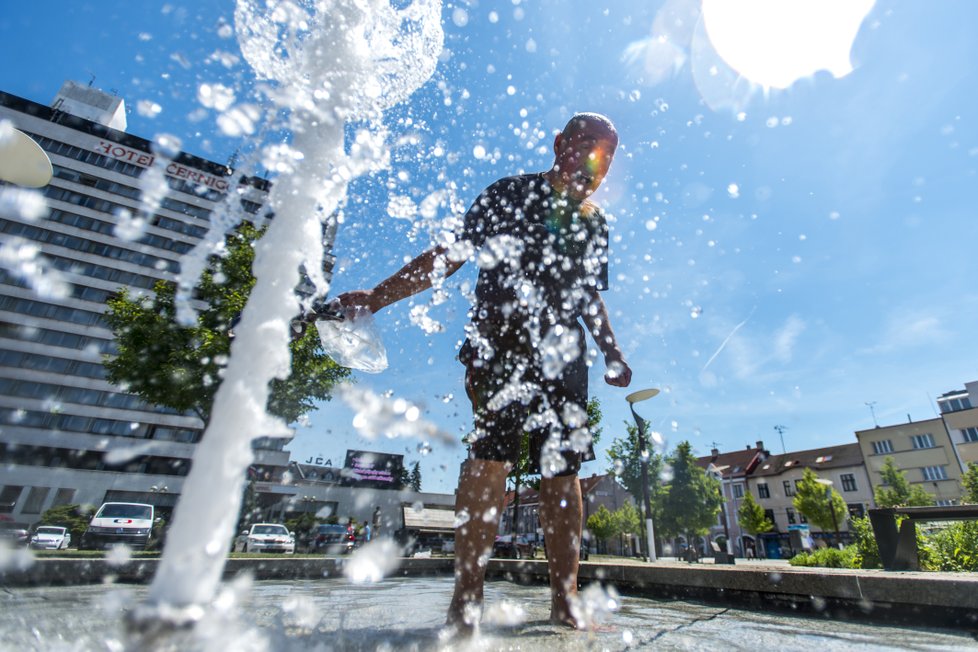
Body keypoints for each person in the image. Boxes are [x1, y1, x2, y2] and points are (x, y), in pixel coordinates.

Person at [337, 113, 632, 630]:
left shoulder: (593, 222)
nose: (594, 162)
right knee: (489, 458)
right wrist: (376, 298)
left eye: (606, 156)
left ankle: (565, 599)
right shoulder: (507, 194)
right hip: (497, 345)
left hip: (563, 357)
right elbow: (447, 256)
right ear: (559, 142)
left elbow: (588, 295)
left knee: (562, 471)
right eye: (586, 147)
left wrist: (612, 352)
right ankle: (466, 599)